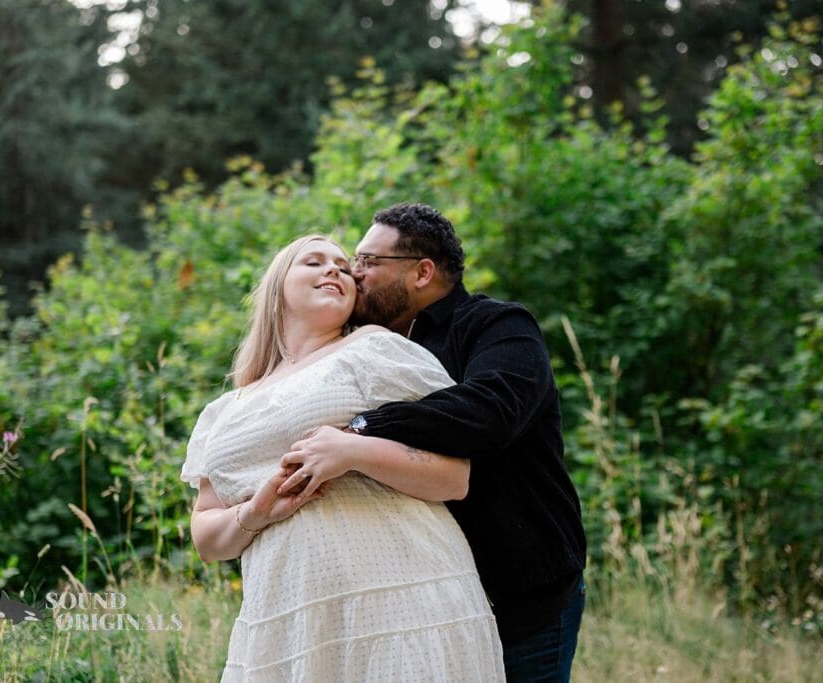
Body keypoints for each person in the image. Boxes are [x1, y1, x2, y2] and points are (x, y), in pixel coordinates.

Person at [282, 203, 588, 682]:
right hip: (422, 602)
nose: (354, 273)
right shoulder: (359, 343)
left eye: (367, 261)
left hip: (522, 595)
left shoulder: (498, 326)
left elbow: (490, 412)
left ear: (422, 272)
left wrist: (363, 427)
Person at [179, 235, 505, 682]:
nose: (334, 269)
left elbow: (453, 477)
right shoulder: (224, 410)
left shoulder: (375, 350)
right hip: (289, 624)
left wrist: (353, 451)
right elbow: (206, 538)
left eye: (343, 266)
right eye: (314, 261)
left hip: (400, 605)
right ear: (277, 288)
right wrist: (256, 513)